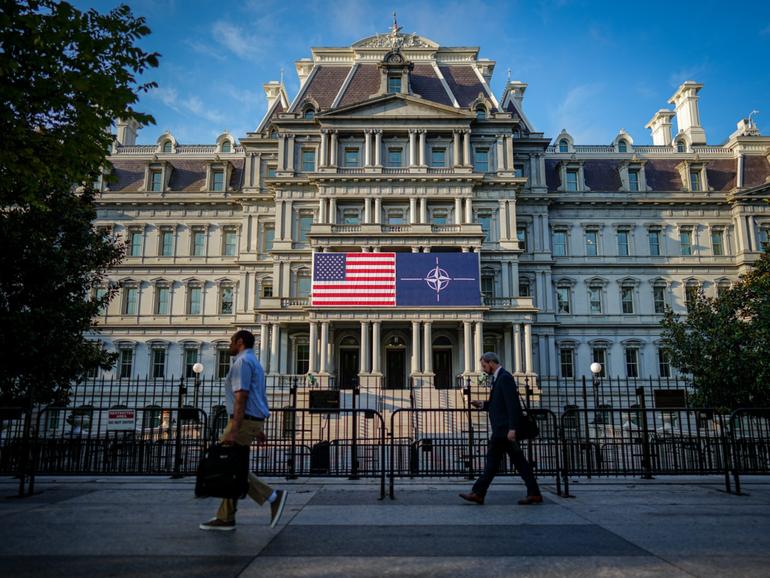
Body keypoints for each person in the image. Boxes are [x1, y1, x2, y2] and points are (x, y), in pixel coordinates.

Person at [200, 329, 288, 531]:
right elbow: (258, 394)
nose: (229, 344)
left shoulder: (242, 363)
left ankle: (272, 496)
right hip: (250, 420)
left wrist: (235, 429)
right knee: (232, 466)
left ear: (239, 342)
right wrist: (256, 428)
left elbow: (242, 396)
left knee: (229, 466)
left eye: (231, 341)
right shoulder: (254, 362)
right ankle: (226, 517)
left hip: (241, 421)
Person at [459, 352, 542, 506]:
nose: (483, 369)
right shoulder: (498, 378)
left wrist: (512, 428)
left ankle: (478, 493)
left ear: (491, 362)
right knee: (518, 462)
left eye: (484, 365)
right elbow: (499, 404)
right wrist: (483, 404)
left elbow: (513, 406)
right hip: (502, 429)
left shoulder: (505, 377)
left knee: (493, 463)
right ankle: (534, 493)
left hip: (504, 431)